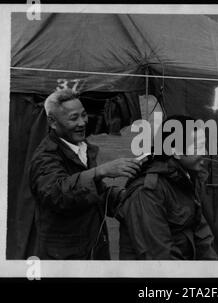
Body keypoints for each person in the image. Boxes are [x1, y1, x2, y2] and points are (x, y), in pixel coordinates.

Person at [29, 88, 143, 260]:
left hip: (94, 249)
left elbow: (93, 193)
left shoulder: (83, 149)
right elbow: (57, 194)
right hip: (64, 258)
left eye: (84, 115)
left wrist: (128, 197)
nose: (82, 123)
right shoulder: (45, 157)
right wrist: (100, 171)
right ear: (52, 121)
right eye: (74, 118)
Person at [116, 115, 218, 260]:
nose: (205, 153)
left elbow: (201, 235)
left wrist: (213, 270)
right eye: (198, 147)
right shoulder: (147, 192)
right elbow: (159, 254)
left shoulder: (186, 178)